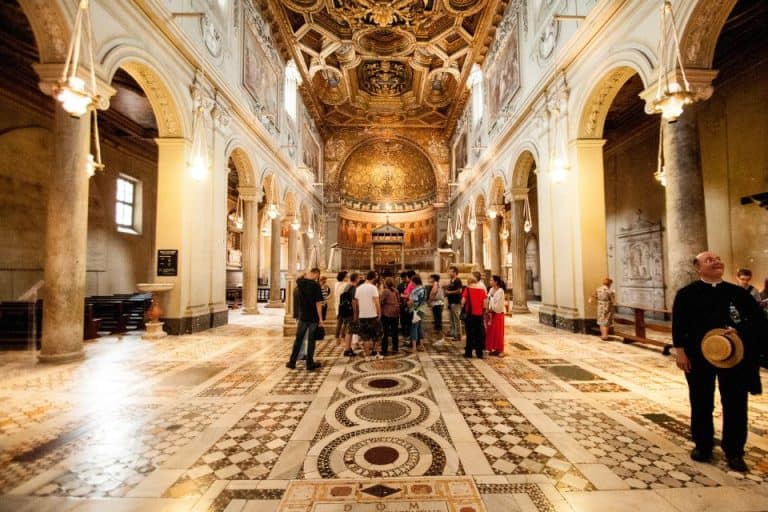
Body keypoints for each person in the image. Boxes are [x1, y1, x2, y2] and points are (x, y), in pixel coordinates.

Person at [672, 251, 767, 472]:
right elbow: (679, 324)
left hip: (735, 356)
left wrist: (739, 330)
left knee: (735, 403)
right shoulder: (687, 294)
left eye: (717, 259)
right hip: (697, 355)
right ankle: (703, 445)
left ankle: (734, 451)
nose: (716, 261)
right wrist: (680, 352)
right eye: (709, 260)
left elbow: (758, 321)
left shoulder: (738, 293)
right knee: (701, 400)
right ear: (698, 268)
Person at [286, 268, 324, 371]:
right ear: (314, 274)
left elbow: (298, 277)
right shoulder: (316, 285)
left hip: (302, 316)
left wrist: (304, 274)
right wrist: (321, 319)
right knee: (311, 340)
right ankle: (309, 363)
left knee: (298, 339)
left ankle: (292, 362)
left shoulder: (300, 284)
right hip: (313, 317)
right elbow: (318, 303)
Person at [354, 270, 382, 360]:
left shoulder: (358, 288)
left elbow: (357, 304)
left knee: (365, 337)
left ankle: (367, 356)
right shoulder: (373, 288)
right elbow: (377, 303)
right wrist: (379, 313)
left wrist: (357, 315)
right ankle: (376, 354)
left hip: (362, 315)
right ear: (374, 277)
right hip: (373, 315)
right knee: (377, 335)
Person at [461, 275, 486, 358]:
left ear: (469, 282)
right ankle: (479, 353)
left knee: (470, 334)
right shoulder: (482, 290)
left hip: (470, 315)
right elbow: (485, 304)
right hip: (479, 315)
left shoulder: (467, 290)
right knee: (479, 334)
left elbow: (463, 302)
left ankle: (469, 353)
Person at [486, 275, 506, 356]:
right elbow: (488, 298)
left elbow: (498, 304)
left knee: (498, 332)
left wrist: (491, 304)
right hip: (491, 313)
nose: (490, 281)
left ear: (496, 282)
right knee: (491, 332)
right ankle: (493, 348)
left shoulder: (500, 291)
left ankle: (500, 350)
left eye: (491, 280)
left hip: (498, 313)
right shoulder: (491, 289)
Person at [339, 272, 359, 357]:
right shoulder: (353, 288)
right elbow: (354, 301)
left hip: (345, 311)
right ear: (356, 279)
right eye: (358, 278)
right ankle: (347, 349)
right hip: (350, 312)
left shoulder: (347, 286)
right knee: (349, 331)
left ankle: (348, 348)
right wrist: (355, 314)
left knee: (348, 329)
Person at [380, 277, 400, 355]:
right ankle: (395, 348)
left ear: (385, 283)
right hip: (395, 313)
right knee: (395, 331)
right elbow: (398, 300)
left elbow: (381, 301)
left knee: (385, 331)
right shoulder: (396, 290)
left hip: (386, 313)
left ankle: (384, 349)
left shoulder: (385, 291)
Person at [407, 274, 427, 351]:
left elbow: (412, 301)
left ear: (414, 282)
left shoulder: (415, 290)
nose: (411, 283)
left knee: (414, 328)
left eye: (412, 281)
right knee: (420, 327)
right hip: (422, 309)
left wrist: (407, 304)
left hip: (415, 310)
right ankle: (421, 346)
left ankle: (414, 347)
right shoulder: (424, 288)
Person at [444, 266, 463, 342]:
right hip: (451, 302)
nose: (449, 273)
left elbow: (459, 291)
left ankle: (458, 335)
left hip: (456, 302)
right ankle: (454, 333)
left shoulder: (458, 280)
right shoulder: (452, 280)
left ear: (455, 272)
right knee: (452, 319)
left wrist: (449, 292)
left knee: (456, 319)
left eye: (450, 271)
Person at [428, 274, 445, 345]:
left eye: (430, 278)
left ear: (434, 279)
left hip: (437, 304)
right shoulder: (438, 284)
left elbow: (433, 293)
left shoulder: (435, 284)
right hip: (438, 304)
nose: (429, 279)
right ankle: (440, 339)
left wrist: (429, 300)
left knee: (438, 322)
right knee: (438, 321)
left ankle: (440, 339)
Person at [334, 271, 349, 344]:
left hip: (337, 305)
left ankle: (337, 338)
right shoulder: (346, 285)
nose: (348, 277)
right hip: (344, 306)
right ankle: (343, 337)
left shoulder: (336, 284)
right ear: (344, 277)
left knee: (339, 323)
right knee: (345, 323)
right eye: (346, 276)